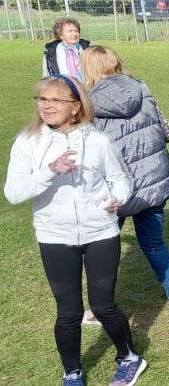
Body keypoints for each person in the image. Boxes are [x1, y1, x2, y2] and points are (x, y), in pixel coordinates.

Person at [5, 76, 147, 386]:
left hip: (100, 233)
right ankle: (72, 372)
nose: (47, 106)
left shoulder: (98, 141)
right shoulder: (27, 142)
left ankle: (129, 357)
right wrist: (48, 171)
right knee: (68, 312)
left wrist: (118, 198)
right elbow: (13, 193)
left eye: (56, 100)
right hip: (55, 237)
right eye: (42, 99)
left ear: (76, 107)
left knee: (102, 305)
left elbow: (122, 180)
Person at [80, 45, 169, 315]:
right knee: (154, 243)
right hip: (152, 183)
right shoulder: (142, 89)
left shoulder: (87, 102)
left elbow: (87, 147)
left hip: (113, 189)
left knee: (102, 247)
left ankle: (97, 307)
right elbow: (168, 131)